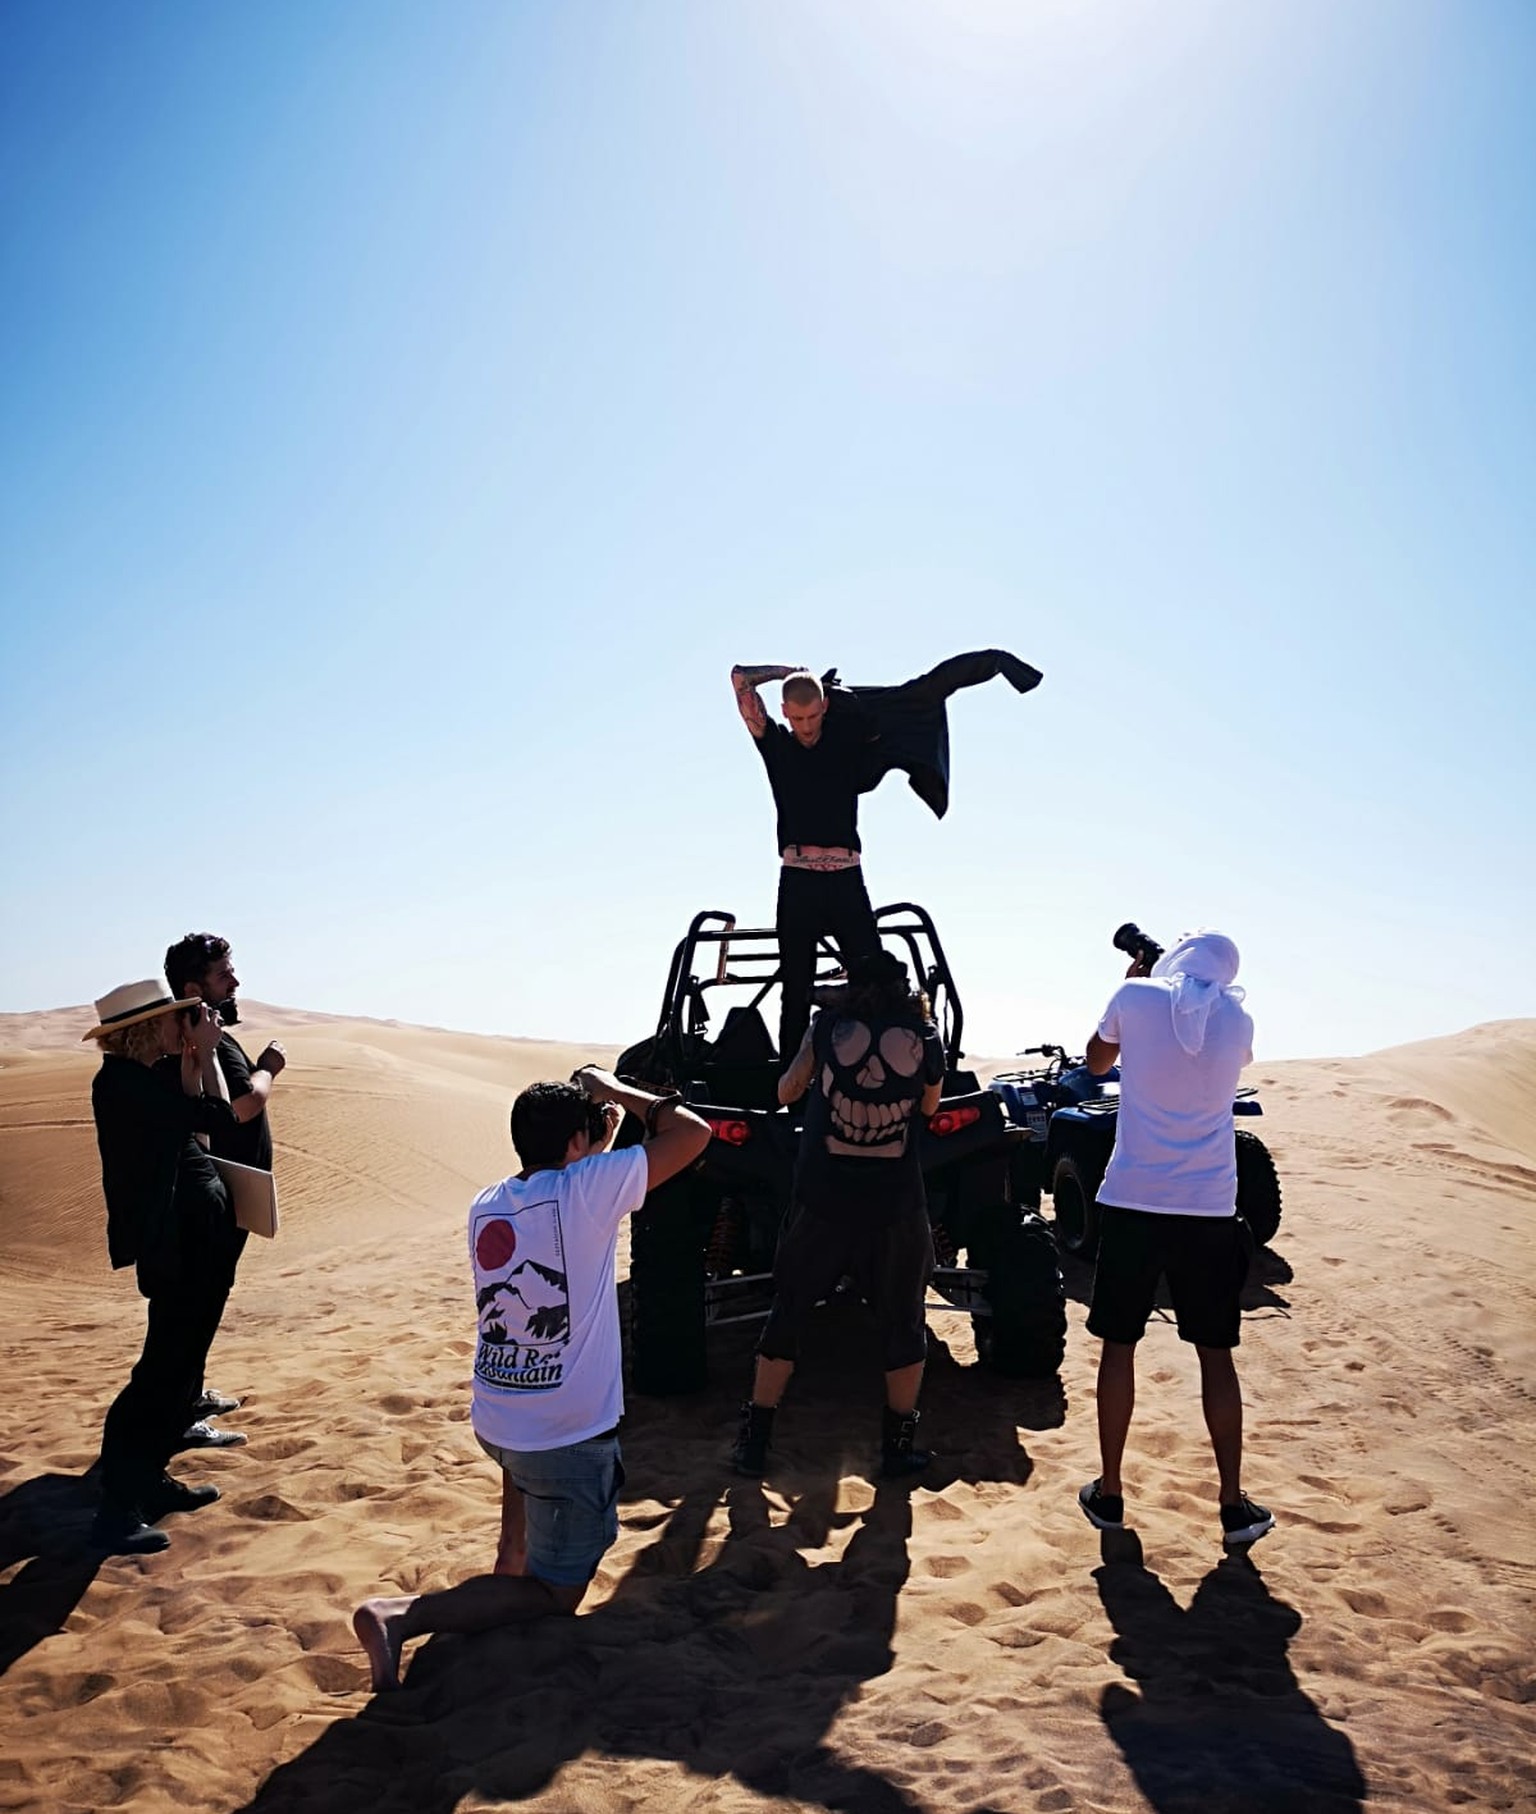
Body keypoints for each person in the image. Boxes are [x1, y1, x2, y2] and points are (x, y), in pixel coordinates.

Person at [352, 1068, 710, 1692]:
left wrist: (591, 1135)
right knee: (556, 1592)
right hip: (563, 1433)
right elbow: (693, 1133)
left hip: (501, 1415)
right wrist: (613, 1088)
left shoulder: (490, 1201)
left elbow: (571, 1186)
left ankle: (505, 1571)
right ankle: (402, 1615)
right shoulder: (588, 1191)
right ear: (575, 1142)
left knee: (523, 1504)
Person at [1076, 930, 1275, 1548]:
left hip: (1133, 1200)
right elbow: (1207, 1041)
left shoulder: (1134, 998)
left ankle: (1111, 1492)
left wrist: (1135, 983)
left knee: (1119, 1347)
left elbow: (1096, 1062)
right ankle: (1233, 1505)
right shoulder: (1237, 1018)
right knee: (1216, 1355)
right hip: (1208, 1208)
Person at [731, 949, 946, 1481]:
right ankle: (897, 1448)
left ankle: (755, 1443)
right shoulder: (925, 1038)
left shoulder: (827, 1028)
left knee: (789, 1311)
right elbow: (929, 1108)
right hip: (895, 1203)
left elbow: (785, 1091)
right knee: (904, 1323)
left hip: (822, 1198)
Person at [84, 978, 244, 1553]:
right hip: (173, 1249)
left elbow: (196, 1128)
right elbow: (218, 1117)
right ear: (149, 1027)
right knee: (157, 1375)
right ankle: (116, 1510)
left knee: (177, 1369)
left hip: (191, 1245)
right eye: (179, 1018)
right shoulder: (126, 1084)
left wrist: (195, 1059)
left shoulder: (141, 1079)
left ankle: (148, 1482)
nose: (186, 1024)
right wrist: (206, 1054)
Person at [164, 931, 288, 1446]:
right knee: (197, 1300)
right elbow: (241, 1106)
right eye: (223, 975)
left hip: (226, 1189)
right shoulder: (196, 1040)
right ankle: (178, 1415)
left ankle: (189, 1394)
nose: (234, 982)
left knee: (210, 1293)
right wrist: (268, 1069)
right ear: (194, 988)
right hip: (214, 1193)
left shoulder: (206, 1035)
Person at [731, 663, 883, 1062]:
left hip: (847, 880)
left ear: (825, 707)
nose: (806, 725)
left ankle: (877, 1076)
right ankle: (791, 1086)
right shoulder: (777, 745)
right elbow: (740, 679)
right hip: (799, 883)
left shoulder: (845, 742)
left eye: (813, 716)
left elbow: (876, 725)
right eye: (797, 718)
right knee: (795, 991)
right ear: (784, 712)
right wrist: (789, 671)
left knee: (877, 982)